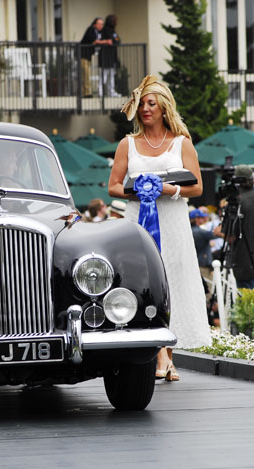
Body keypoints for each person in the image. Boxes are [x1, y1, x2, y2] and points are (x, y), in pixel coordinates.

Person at [108, 75, 211, 382]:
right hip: (138, 220)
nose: (145, 109)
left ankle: (168, 356)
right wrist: (140, 190)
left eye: (151, 104)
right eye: (141, 104)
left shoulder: (182, 143)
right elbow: (113, 186)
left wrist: (167, 189)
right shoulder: (128, 144)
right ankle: (160, 355)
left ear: (164, 108)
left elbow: (197, 187)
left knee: (173, 281)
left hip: (173, 222)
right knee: (142, 281)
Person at [228, 165, 254, 289]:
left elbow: (230, 237)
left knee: (244, 302)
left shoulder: (237, 202)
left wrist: (218, 232)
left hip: (242, 260)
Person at [79, 17, 107, 98]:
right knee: (86, 74)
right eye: (100, 24)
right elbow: (95, 41)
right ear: (95, 24)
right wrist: (106, 41)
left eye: (102, 24)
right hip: (83, 55)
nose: (101, 26)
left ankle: (87, 92)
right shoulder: (91, 30)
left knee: (87, 74)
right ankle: (87, 93)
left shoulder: (98, 32)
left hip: (88, 56)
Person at [189, 208, 215, 280]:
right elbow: (215, 234)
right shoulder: (198, 231)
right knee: (207, 289)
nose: (204, 219)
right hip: (202, 266)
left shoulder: (191, 230)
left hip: (197, 264)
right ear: (196, 219)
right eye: (202, 217)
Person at [99, 14, 121, 97]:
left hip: (112, 57)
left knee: (111, 76)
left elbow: (117, 40)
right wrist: (112, 41)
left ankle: (111, 92)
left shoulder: (113, 31)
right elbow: (111, 41)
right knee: (104, 76)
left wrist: (114, 41)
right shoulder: (105, 30)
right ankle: (100, 93)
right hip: (105, 56)